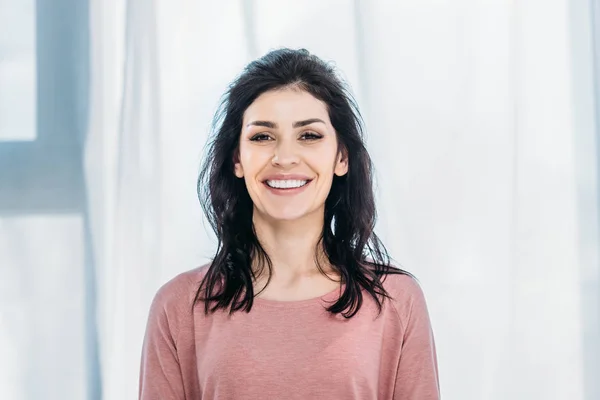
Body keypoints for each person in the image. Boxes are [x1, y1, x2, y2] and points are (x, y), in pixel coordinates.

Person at [139, 48, 440, 400]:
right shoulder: (178, 307)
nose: (284, 158)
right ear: (237, 159)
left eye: (309, 136)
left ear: (341, 156)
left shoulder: (396, 301)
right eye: (262, 137)